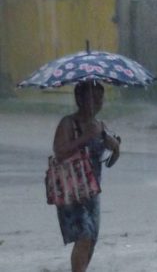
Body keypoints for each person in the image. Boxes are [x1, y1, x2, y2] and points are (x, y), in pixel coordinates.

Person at [52, 81, 120, 272]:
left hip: (93, 191)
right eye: (92, 98)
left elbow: (109, 161)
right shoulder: (68, 123)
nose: (97, 103)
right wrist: (85, 137)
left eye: (100, 98)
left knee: (92, 239)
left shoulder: (100, 125)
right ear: (79, 99)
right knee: (84, 236)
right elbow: (59, 152)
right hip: (72, 190)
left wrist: (115, 147)